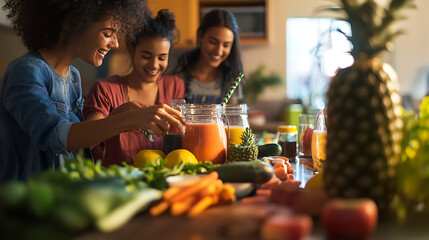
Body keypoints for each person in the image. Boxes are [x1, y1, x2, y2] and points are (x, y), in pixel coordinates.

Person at [0, 0, 185, 182]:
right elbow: (55, 136)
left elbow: (81, 142)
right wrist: (127, 119)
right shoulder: (25, 71)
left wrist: (116, 116)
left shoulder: (72, 76)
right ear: (74, 24)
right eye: (107, 33)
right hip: (26, 202)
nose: (115, 44)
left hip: (62, 197)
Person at [84, 9, 185, 166]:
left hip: (161, 179)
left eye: (162, 57)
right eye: (146, 56)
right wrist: (118, 118)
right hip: (117, 181)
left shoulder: (174, 86)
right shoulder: (105, 89)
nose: (154, 65)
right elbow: (85, 143)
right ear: (132, 50)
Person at [171, 9, 244, 104]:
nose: (218, 51)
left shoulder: (231, 79)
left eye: (226, 45)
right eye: (213, 42)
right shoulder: (177, 73)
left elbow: (231, 116)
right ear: (200, 36)